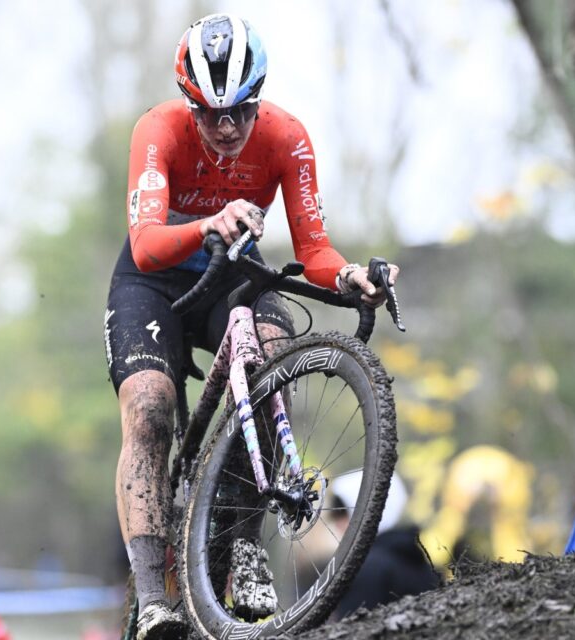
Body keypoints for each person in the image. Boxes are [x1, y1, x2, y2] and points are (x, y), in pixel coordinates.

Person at [103, 13, 400, 637]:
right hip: (152, 278)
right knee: (151, 408)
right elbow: (148, 241)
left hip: (234, 268)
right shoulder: (157, 131)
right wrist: (208, 224)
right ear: (190, 104)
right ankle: (153, 593)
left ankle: (242, 540)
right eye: (211, 113)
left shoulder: (287, 137)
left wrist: (346, 276)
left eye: (241, 109)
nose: (228, 126)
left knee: (273, 354)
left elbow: (314, 249)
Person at [328, 472, 440, 619]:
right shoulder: (416, 558)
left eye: (343, 511)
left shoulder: (366, 567)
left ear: (368, 511)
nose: (337, 523)